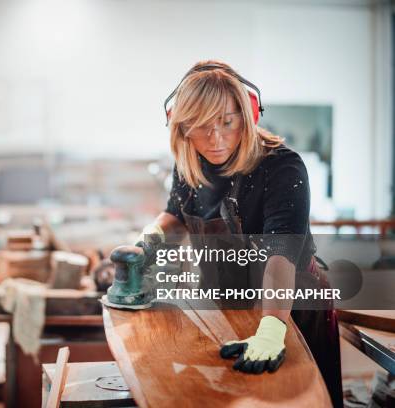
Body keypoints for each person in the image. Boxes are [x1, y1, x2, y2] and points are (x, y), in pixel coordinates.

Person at [137, 60, 343, 406]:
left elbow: (280, 254)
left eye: (227, 122)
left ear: (248, 115)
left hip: (289, 311)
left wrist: (272, 329)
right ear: (182, 127)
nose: (215, 138)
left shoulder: (281, 167)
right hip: (227, 304)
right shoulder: (191, 162)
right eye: (201, 126)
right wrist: (153, 234)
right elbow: (176, 214)